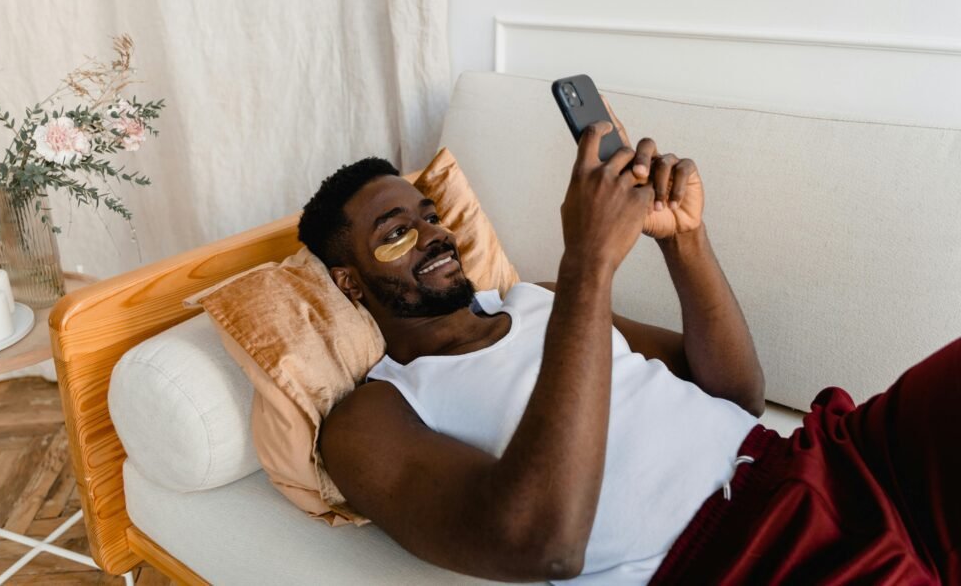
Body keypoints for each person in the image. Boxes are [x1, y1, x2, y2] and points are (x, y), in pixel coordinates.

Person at [299, 101, 960, 585]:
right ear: (350, 283)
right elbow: (543, 544)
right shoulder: (370, 416)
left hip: (833, 459)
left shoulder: (539, 297)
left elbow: (737, 392)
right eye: (397, 233)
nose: (436, 235)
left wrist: (685, 242)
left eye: (431, 216)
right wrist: (590, 266)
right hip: (739, 559)